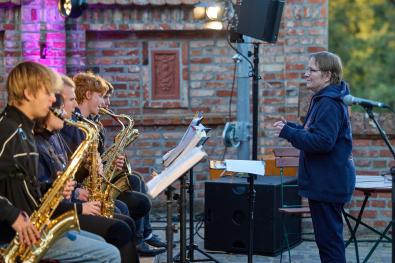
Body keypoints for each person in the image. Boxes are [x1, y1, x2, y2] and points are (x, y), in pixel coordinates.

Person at [0, 61, 121, 263]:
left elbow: (22, 187)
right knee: (110, 254)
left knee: (102, 242)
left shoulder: (22, 130)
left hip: (34, 228)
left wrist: (53, 189)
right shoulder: (8, 132)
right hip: (14, 238)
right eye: (48, 93)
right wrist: (14, 216)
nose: (52, 101)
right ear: (29, 93)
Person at [34, 91, 140, 263]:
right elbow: (43, 196)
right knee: (121, 227)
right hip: (59, 215)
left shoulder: (55, 136)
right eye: (69, 100)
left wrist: (95, 167)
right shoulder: (40, 143)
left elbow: (66, 174)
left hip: (68, 207)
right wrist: (78, 199)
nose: (74, 105)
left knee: (125, 220)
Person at [273, 51, 356, 263]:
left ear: (327, 76)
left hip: (328, 183)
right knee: (327, 241)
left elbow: (322, 142)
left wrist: (289, 133)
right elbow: (315, 133)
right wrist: (290, 128)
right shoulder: (323, 99)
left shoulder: (329, 102)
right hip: (325, 181)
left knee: (329, 244)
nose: (306, 74)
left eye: (311, 70)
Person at [101, 80, 167, 256]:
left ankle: (145, 235)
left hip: (101, 179)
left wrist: (113, 157)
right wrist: (107, 162)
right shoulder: (84, 126)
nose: (107, 103)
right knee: (138, 199)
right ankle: (138, 240)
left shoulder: (96, 125)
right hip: (94, 188)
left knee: (135, 178)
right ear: (88, 96)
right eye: (104, 97)